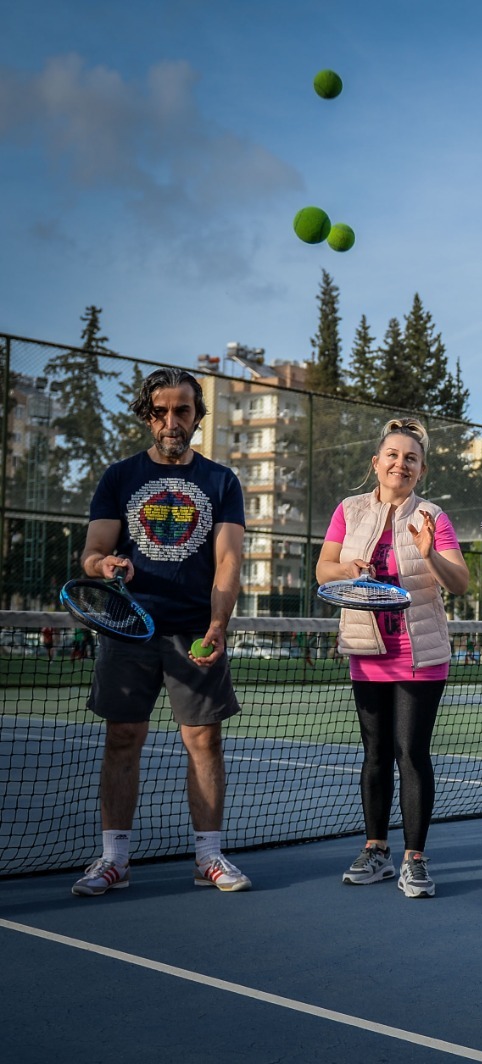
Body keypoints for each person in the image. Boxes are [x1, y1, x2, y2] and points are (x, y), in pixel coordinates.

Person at [72, 367, 251, 897]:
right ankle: (114, 861)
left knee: (204, 741)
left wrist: (219, 624)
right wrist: (103, 565)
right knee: (122, 738)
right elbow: (92, 552)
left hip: (194, 629)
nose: (171, 421)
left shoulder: (222, 481)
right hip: (128, 627)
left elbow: (228, 559)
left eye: (182, 411)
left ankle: (209, 857)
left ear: (197, 416)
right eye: (161, 411)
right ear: (147, 415)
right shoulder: (119, 477)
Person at [315, 418, 470, 899]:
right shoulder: (349, 510)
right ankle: (376, 849)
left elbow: (459, 582)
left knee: (410, 752)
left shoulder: (433, 517)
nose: (400, 464)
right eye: (392, 455)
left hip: (419, 653)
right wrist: (349, 567)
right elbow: (323, 571)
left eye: (411, 458)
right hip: (366, 649)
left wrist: (430, 554)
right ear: (376, 464)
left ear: (420, 470)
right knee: (375, 753)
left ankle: (415, 859)